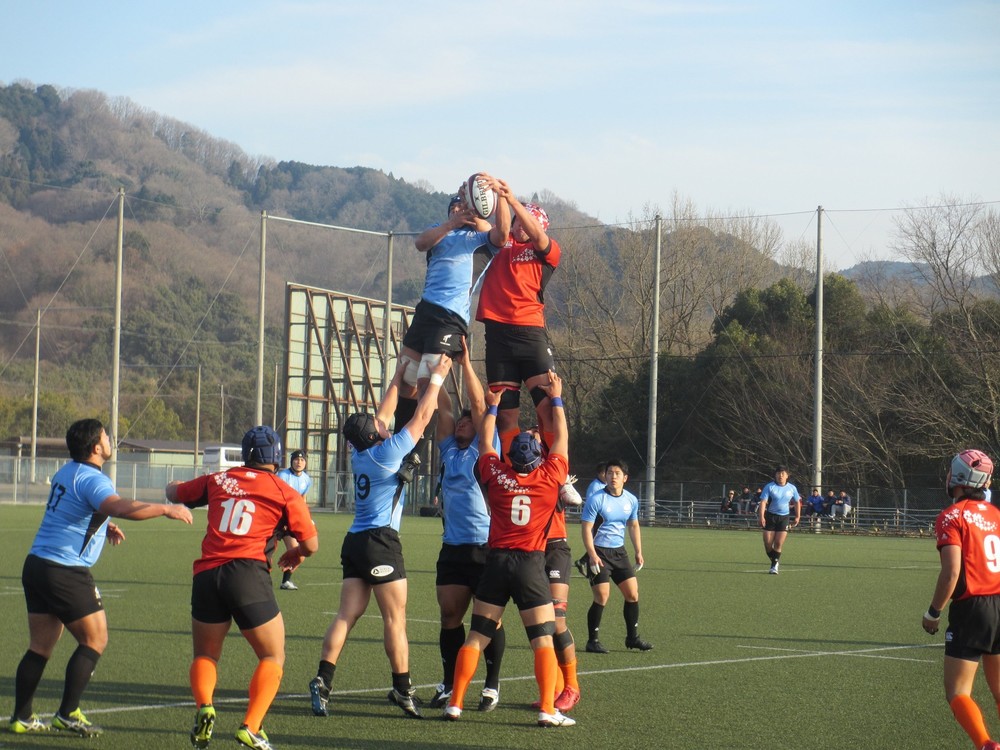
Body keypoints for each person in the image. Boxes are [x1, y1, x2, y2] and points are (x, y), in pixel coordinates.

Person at [8, 418, 193, 737]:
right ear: (96, 447)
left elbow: (73, 510)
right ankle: (67, 713)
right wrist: (166, 509)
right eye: (106, 437)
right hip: (64, 570)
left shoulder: (67, 471)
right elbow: (118, 506)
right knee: (95, 640)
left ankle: (21, 717)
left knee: (40, 646)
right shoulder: (94, 478)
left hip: (37, 565)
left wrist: (102, 525)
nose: (110, 441)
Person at [309, 353, 453, 720]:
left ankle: (323, 680)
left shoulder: (362, 453)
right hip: (380, 542)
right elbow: (423, 416)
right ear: (375, 435)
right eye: (377, 425)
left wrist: (398, 376)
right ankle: (402, 689)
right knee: (394, 619)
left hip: (356, 541)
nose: (382, 422)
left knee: (346, 615)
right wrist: (437, 377)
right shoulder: (388, 451)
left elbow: (384, 415)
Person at [167, 426, 319, 750]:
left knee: (206, 654)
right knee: (272, 655)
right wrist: (297, 554)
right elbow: (311, 544)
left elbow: (175, 493)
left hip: (207, 575)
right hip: (247, 575)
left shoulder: (218, 479)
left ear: (246, 452)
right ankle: (251, 726)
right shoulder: (284, 490)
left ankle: (205, 707)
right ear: (277, 456)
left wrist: (174, 486)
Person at [445, 370, 576, 727]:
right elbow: (562, 437)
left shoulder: (496, 474)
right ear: (538, 457)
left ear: (512, 457)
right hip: (530, 564)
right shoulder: (549, 476)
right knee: (542, 639)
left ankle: (455, 703)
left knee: (476, 636)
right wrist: (556, 398)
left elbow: (486, 442)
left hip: (496, 562)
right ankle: (548, 709)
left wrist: (491, 407)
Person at [393, 178, 509, 433]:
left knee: (426, 382)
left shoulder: (481, 238)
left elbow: (501, 234)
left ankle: (413, 448)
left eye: (462, 207)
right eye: (453, 208)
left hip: (450, 318)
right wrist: (451, 224)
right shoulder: (440, 231)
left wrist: (497, 198)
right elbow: (420, 243)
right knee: (406, 378)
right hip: (426, 311)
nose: (457, 210)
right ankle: (400, 442)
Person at [429, 337, 506, 712]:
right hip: (453, 548)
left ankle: (491, 685)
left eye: (467, 422)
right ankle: (448, 683)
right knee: (449, 616)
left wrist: (465, 363)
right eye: (459, 422)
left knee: (487, 621)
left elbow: (479, 407)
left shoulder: (484, 449)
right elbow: (442, 406)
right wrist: (437, 367)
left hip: (485, 548)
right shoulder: (448, 450)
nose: (461, 423)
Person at [475, 181, 561, 460]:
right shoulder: (499, 243)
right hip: (498, 336)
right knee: (504, 414)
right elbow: (487, 225)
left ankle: (553, 469)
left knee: (547, 407)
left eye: (527, 222)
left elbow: (538, 235)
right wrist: (493, 196)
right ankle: (514, 468)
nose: (520, 225)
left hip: (530, 334)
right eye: (518, 221)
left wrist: (514, 201)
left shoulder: (545, 250)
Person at [922, 449, 1000, 750]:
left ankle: (985, 744)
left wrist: (933, 612)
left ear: (957, 477)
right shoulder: (996, 514)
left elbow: (951, 572)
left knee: (957, 691)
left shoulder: (952, 516)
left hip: (972, 609)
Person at [580, 458, 652, 654]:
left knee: (632, 594)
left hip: (619, 553)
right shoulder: (597, 499)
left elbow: (633, 525)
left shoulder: (631, 500)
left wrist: (638, 551)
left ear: (625, 478)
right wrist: (591, 555)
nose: (612, 476)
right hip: (599, 553)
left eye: (617, 473)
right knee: (602, 596)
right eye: (609, 473)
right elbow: (586, 529)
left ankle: (632, 638)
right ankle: (592, 641)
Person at [274, 449, 313, 590]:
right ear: (291, 461)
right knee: (264, 551)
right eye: (296, 459)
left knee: (299, 553)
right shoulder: (283, 476)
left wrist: (306, 518)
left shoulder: (307, 479)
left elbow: (302, 500)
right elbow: (277, 498)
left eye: (302, 460)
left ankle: (285, 581)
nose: (299, 462)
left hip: (292, 521)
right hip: (278, 520)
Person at [757, 465, 802, 575]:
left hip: (784, 517)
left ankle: (774, 566)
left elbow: (797, 502)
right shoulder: (769, 487)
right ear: (775, 475)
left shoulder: (792, 488)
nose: (780, 476)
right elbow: (763, 502)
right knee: (768, 544)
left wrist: (797, 516)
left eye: (782, 473)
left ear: (787, 475)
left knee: (778, 543)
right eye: (778, 473)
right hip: (770, 517)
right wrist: (761, 516)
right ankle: (775, 560)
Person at [574, 462, 607, 576]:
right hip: (596, 519)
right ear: (599, 474)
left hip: (603, 519)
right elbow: (591, 503)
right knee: (598, 542)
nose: (606, 475)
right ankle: (584, 562)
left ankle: (583, 561)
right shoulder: (595, 486)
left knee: (599, 541)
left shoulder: (605, 485)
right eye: (604, 473)